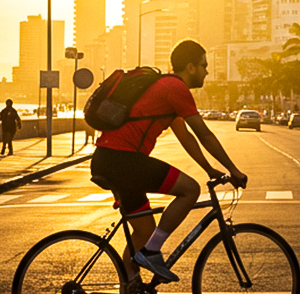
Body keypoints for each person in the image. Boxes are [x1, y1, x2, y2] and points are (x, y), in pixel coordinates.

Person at [90, 39, 247, 292]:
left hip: (109, 159)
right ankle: (151, 253)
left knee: (143, 230)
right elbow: (204, 134)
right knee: (190, 190)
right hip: (123, 160)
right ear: (190, 67)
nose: (207, 71)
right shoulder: (175, 88)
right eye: (204, 65)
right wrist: (234, 170)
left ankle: (129, 285)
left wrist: (210, 169)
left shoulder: (164, 88)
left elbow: (186, 137)